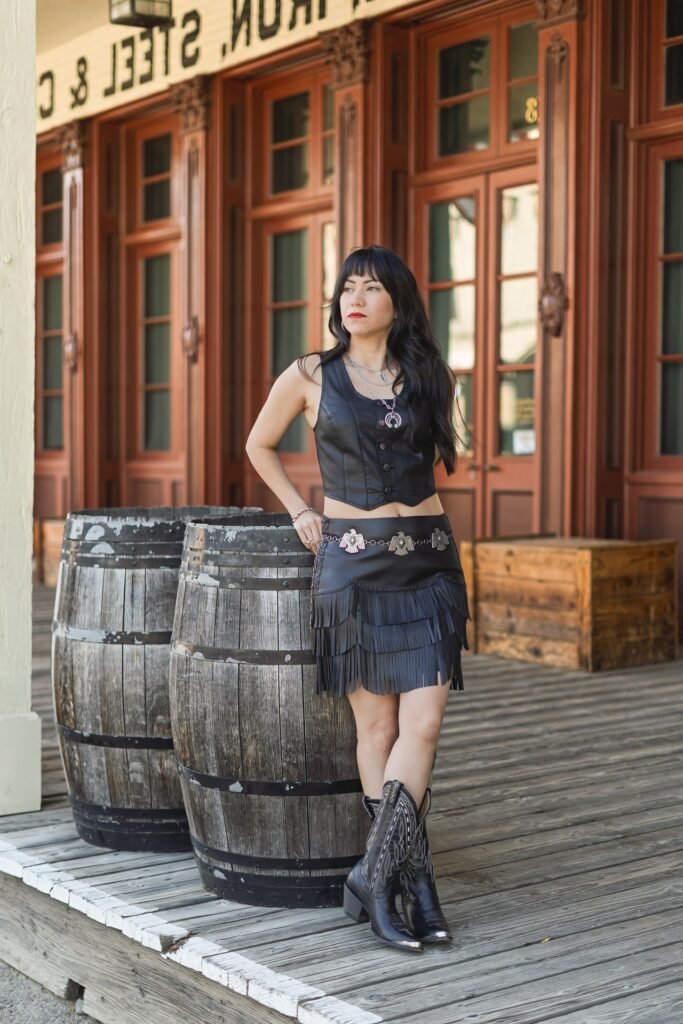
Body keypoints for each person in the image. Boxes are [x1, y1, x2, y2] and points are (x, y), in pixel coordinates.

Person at [245, 244, 471, 953]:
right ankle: (412, 882)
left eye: (371, 287)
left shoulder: (430, 376)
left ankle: (376, 875)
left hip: (429, 561)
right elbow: (259, 444)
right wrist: (298, 511)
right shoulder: (310, 373)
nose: (355, 297)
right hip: (351, 563)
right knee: (375, 733)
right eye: (347, 286)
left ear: (397, 302)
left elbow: (444, 453)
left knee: (424, 725)